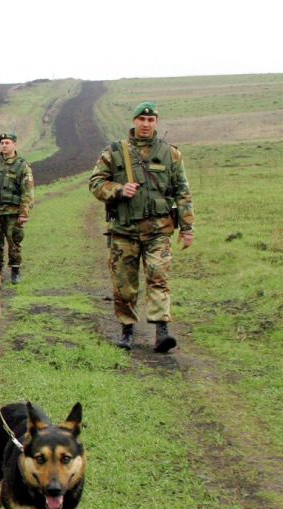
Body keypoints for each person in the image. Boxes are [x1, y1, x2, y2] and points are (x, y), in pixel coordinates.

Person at [89, 101, 195, 352]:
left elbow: (183, 192)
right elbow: (95, 183)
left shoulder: (170, 153)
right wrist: (117, 189)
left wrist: (188, 228)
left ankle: (161, 331)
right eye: (141, 120)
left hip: (158, 231)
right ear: (134, 121)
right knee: (124, 284)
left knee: (158, 277)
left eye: (151, 120)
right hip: (124, 231)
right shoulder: (114, 152)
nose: (146, 124)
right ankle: (127, 330)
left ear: (156, 122)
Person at [0, 131, 34, 284]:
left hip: (13, 212)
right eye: (2, 143)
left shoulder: (22, 165)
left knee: (14, 242)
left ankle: (15, 271)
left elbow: (27, 191)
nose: (4, 145)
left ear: (14, 145)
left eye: (7, 143)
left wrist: (24, 213)